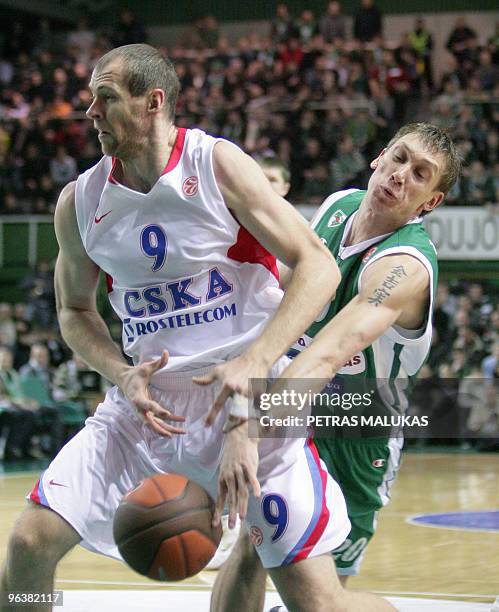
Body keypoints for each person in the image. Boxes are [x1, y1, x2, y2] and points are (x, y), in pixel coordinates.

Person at [0, 44, 391, 612]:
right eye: (90, 99)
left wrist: (254, 368)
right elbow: (74, 311)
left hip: (250, 406)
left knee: (318, 604)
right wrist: (119, 372)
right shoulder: (80, 201)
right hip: (144, 410)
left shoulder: (215, 164)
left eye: (104, 99)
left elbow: (319, 266)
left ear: (152, 102)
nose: (90, 113)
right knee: (28, 543)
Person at [212, 122, 461, 610]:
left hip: (354, 433)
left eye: (420, 174)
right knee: (250, 547)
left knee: (319, 601)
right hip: (295, 409)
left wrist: (248, 426)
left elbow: (327, 354)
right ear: (379, 157)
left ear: (430, 202)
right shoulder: (337, 205)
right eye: (399, 158)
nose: (400, 175)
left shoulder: (405, 267)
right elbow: (279, 291)